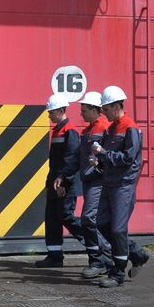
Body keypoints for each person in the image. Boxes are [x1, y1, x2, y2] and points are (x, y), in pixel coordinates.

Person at [89, 85, 151, 288]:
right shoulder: (112, 128)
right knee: (102, 223)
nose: (103, 113)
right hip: (109, 182)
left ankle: (117, 273)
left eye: (105, 109)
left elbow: (128, 158)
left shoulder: (129, 128)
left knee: (117, 228)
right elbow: (109, 155)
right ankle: (136, 253)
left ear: (116, 106)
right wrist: (99, 161)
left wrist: (104, 154)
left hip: (123, 185)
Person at [36, 92, 85, 267]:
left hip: (65, 184)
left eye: (51, 112)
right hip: (55, 182)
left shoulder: (69, 130)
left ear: (61, 110)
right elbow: (55, 162)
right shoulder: (58, 130)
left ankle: (96, 245)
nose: (49, 115)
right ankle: (55, 256)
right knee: (52, 218)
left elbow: (71, 159)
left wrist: (63, 181)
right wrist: (49, 184)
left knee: (66, 217)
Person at [76, 91, 114, 279]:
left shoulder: (104, 128)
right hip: (89, 180)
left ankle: (106, 257)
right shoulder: (87, 130)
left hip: (98, 181)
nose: (81, 114)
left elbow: (107, 154)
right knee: (91, 221)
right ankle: (97, 260)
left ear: (94, 109)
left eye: (84, 110)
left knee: (89, 219)